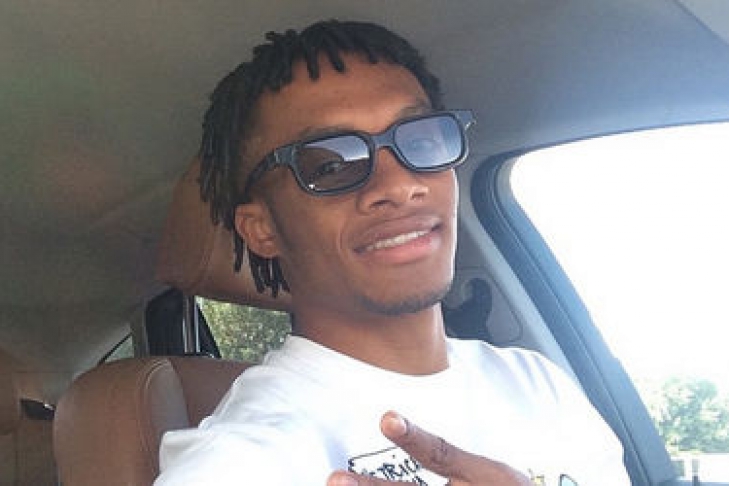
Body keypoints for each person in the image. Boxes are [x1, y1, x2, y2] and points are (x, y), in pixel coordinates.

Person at [155, 19, 629, 486]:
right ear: (261, 229)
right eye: (331, 165)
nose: (400, 185)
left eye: (420, 140)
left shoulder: (539, 383)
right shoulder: (239, 460)